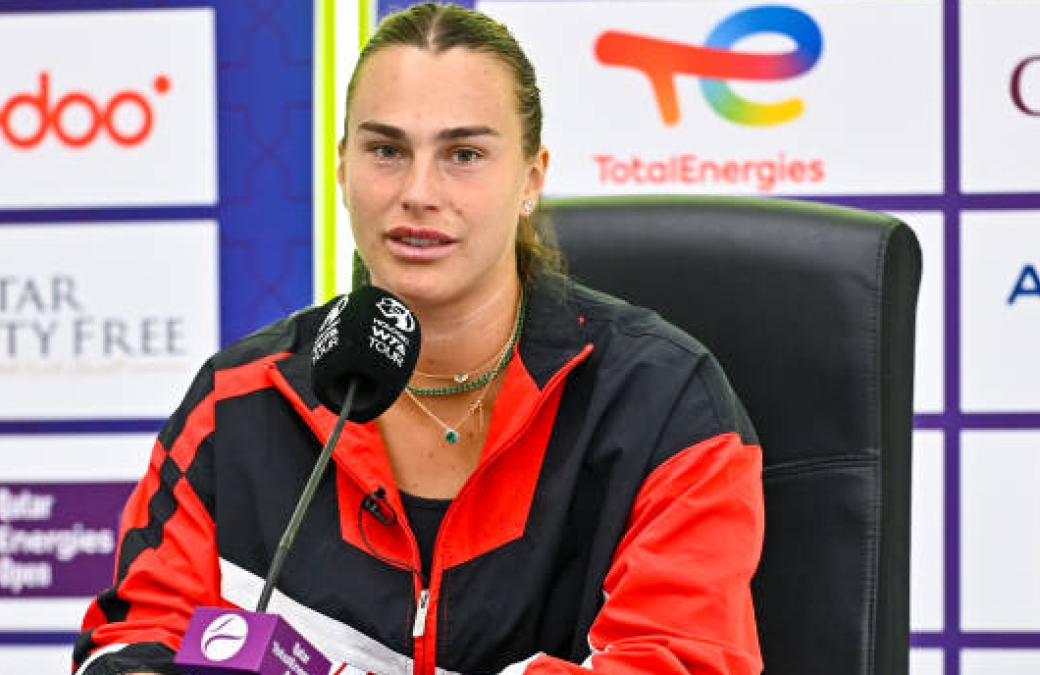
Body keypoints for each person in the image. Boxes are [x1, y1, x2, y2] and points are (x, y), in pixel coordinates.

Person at [72, 3, 764, 674]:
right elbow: (136, 634)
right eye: (386, 149)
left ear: (531, 178)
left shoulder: (666, 401)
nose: (419, 191)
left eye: (463, 153)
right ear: (342, 169)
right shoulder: (237, 399)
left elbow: (678, 660)